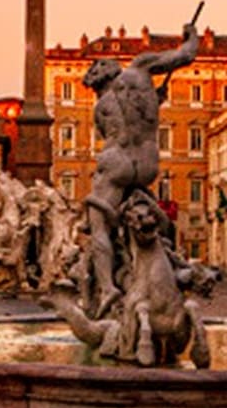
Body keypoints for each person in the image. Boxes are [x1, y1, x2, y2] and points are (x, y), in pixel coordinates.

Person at [83, 20, 199, 316]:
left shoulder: (100, 107)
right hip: (148, 164)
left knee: (98, 225)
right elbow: (185, 55)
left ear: (97, 83)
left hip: (117, 163)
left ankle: (108, 288)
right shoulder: (141, 69)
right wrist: (191, 36)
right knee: (142, 210)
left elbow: (111, 134)